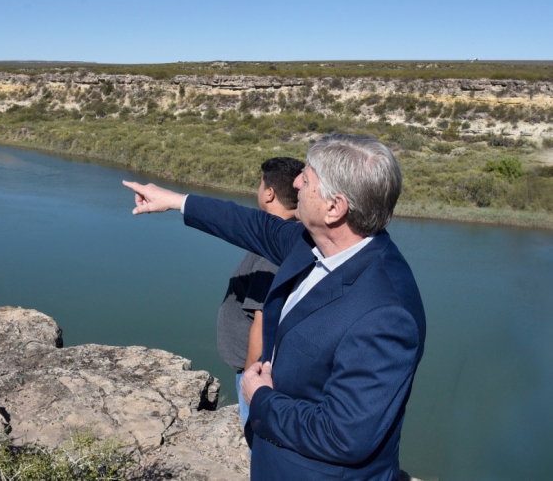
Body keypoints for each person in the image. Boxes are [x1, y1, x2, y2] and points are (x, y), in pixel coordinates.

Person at [123, 134, 425, 481]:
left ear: (334, 207)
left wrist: (261, 398)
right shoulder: (314, 245)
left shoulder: (386, 313)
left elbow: (345, 436)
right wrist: (176, 201)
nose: (296, 182)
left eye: (307, 180)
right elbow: (252, 225)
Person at [218, 157, 304, 431]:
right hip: (258, 368)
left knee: (258, 440)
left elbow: (263, 320)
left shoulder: (273, 254)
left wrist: (250, 380)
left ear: (269, 193)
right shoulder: (285, 236)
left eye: (260, 183)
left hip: (256, 372)